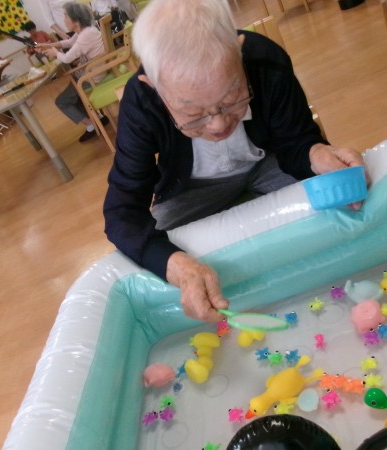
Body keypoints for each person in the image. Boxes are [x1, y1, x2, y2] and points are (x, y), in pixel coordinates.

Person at [103, 0, 366, 323]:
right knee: (158, 252)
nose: (217, 125)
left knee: (335, 203)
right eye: (193, 114)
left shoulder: (264, 60)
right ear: (155, 88)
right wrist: (179, 268)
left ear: (239, 52)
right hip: (191, 189)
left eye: (231, 99)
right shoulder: (141, 104)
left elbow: (296, 141)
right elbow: (123, 212)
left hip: (269, 162)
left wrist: (316, 153)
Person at [37, 2, 109, 143]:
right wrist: (48, 45)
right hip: (94, 72)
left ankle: (92, 125)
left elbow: (67, 58)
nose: (63, 20)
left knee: (61, 102)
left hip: (91, 77)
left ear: (76, 21)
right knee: (73, 96)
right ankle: (98, 118)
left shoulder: (85, 36)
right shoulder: (87, 30)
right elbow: (69, 43)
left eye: (66, 16)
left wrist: (55, 53)